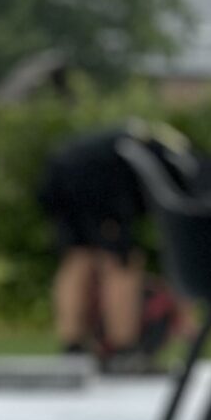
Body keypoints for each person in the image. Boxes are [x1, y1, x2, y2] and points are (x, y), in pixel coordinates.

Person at [35, 126, 149, 362]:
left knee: (77, 258)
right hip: (99, 186)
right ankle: (124, 348)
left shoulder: (136, 142)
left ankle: (72, 345)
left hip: (59, 178)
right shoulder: (161, 160)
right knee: (121, 264)